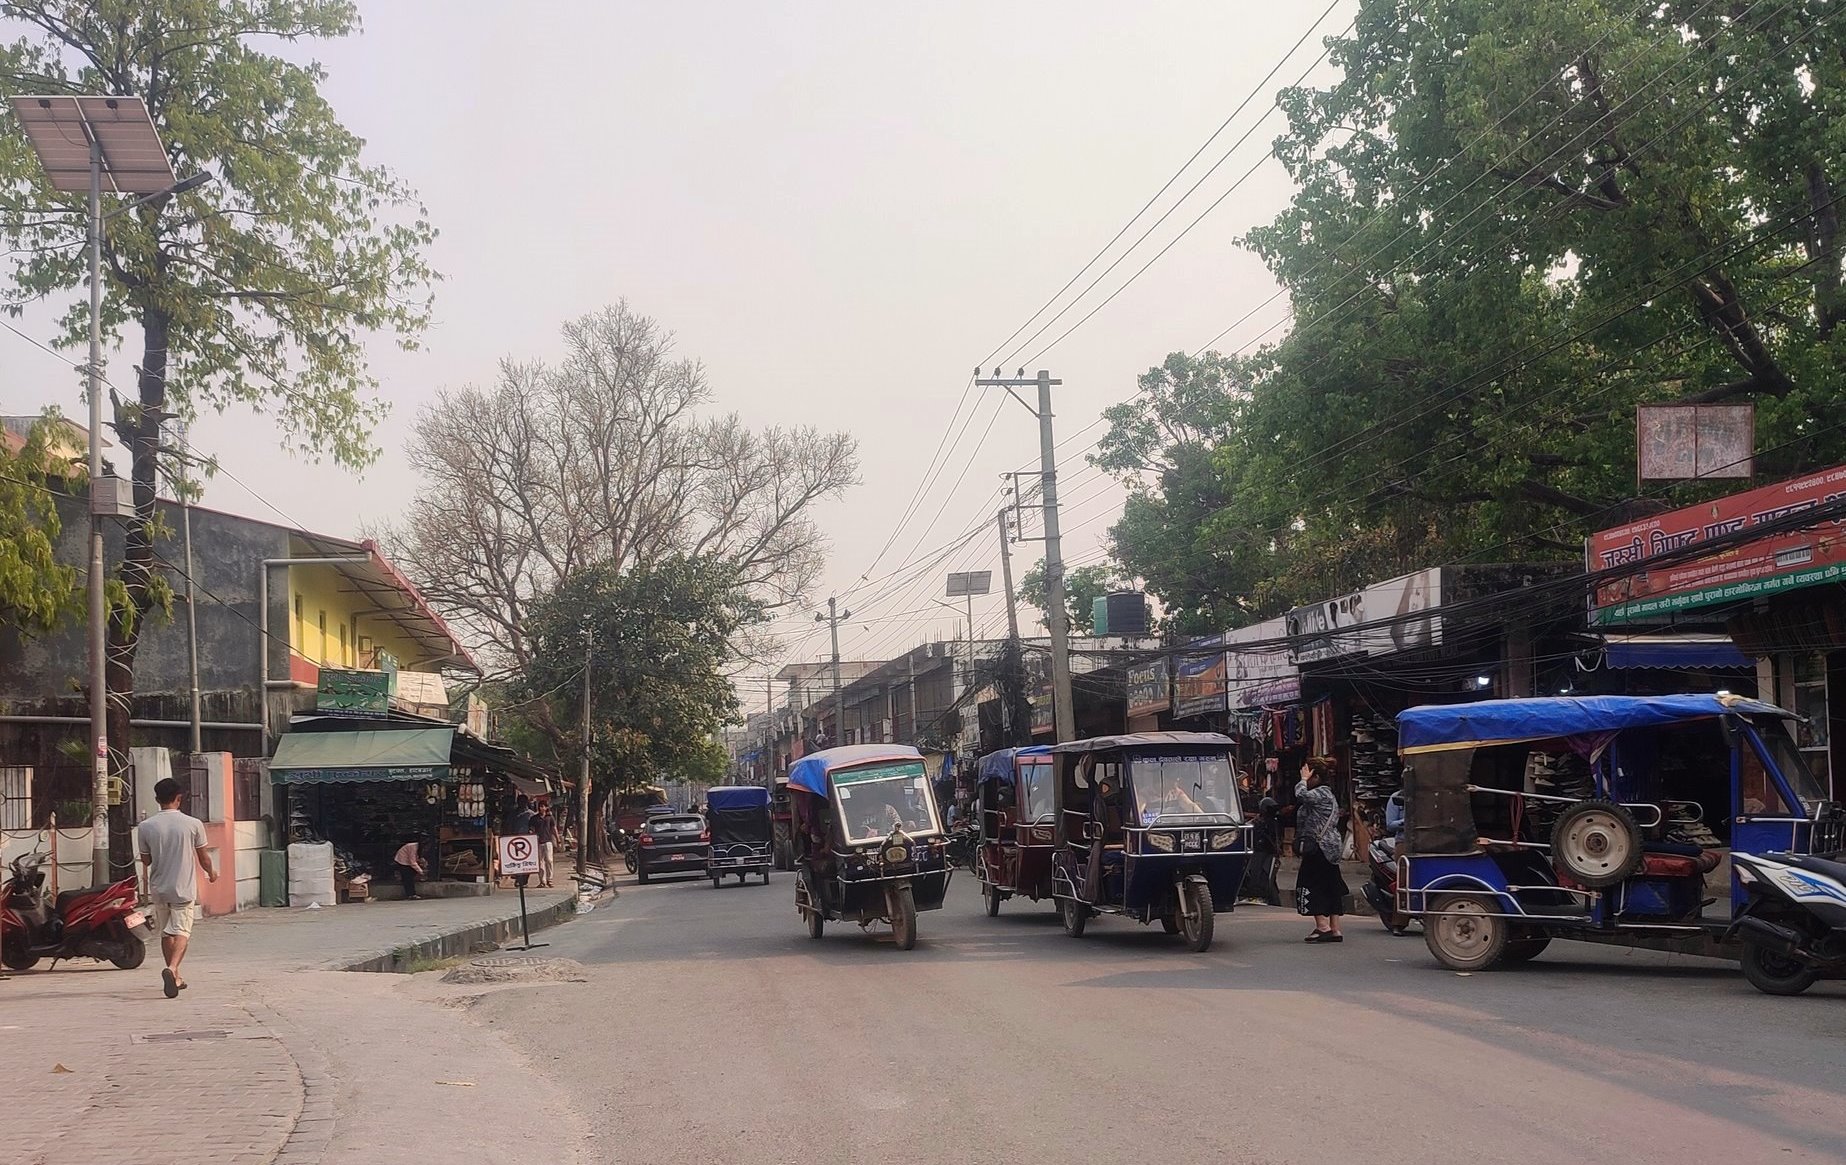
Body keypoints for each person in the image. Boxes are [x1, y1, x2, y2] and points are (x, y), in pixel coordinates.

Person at [137, 777, 216, 999]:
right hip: (183, 888)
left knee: (166, 932)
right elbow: (204, 858)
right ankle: (172, 969)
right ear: (179, 799)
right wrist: (211, 873)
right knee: (182, 931)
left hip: (159, 888)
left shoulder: (145, 826)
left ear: (157, 799)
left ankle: (177, 977)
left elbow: (146, 860)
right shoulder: (193, 824)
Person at [1294, 757, 1349, 943]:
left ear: (1315, 776)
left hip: (1319, 847)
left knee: (1311, 883)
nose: (1305, 779)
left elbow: (1300, 795)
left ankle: (1322, 926)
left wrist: (1302, 780)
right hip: (1329, 847)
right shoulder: (1328, 794)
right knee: (1331, 884)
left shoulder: (1321, 793)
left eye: (1308, 775)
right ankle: (1334, 928)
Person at [1243, 797, 1283, 907]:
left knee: (1265, 875)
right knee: (1265, 875)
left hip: (1265, 853)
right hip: (1263, 853)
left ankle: (1267, 897)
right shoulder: (1264, 822)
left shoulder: (1269, 822)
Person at [533, 801, 558, 888]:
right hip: (538, 842)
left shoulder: (550, 818)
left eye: (543, 806)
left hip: (548, 841)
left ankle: (550, 879)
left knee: (549, 860)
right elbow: (531, 829)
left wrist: (557, 839)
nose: (541, 808)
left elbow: (554, 828)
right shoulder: (534, 818)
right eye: (540, 806)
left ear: (546, 808)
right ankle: (542, 881)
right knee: (540, 862)